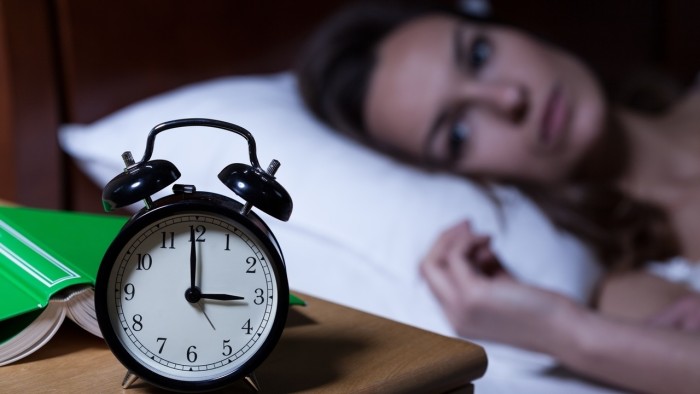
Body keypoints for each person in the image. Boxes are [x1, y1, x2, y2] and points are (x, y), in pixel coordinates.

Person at [295, 2, 700, 393]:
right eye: (458, 134)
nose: (508, 98)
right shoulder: (638, 300)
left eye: (479, 53)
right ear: (462, 179)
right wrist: (565, 332)